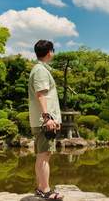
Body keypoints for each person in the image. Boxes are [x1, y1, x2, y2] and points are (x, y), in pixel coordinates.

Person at [29, 40, 63, 200]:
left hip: (43, 121)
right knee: (44, 156)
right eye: (53, 50)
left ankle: (41, 188)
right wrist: (47, 118)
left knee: (43, 155)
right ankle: (45, 191)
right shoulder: (40, 70)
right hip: (45, 122)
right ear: (49, 52)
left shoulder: (40, 69)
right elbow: (41, 94)